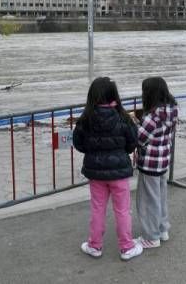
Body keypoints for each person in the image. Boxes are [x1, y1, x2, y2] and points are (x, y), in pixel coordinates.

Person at [72, 77, 143, 261]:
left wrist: (94, 150)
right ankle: (127, 247)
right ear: (114, 95)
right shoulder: (123, 117)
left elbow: (79, 143)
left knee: (97, 209)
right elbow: (131, 143)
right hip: (119, 172)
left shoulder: (86, 118)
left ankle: (94, 245)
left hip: (95, 173)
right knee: (122, 210)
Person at [133, 77, 178, 249]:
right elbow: (157, 134)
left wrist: (134, 122)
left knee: (147, 201)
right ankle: (162, 229)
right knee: (160, 197)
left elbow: (140, 138)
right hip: (163, 160)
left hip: (150, 163)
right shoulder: (170, 111)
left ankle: (151, 237)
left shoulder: (152, 116)